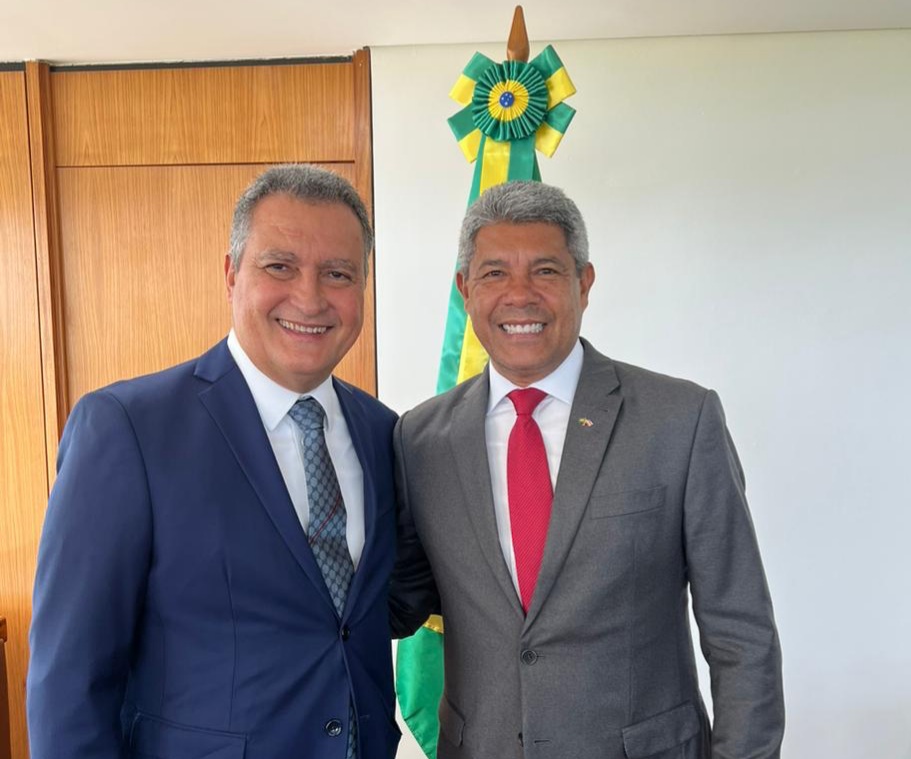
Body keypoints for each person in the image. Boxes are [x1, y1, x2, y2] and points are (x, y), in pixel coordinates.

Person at [390, 181, 784, 758]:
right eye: (495, 273)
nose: (519, 295)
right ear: (465, 289)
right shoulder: (420, 439)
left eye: (545, 271)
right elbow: (398, 599)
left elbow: (741, 632)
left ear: (584, 283)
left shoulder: (681, 420)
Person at [27, 165, 401, 759]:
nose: (310, 298)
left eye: (338, 273)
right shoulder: (126, 428)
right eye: (279, 266)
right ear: (231, 274)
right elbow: (69, 680)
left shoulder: (383, 432)